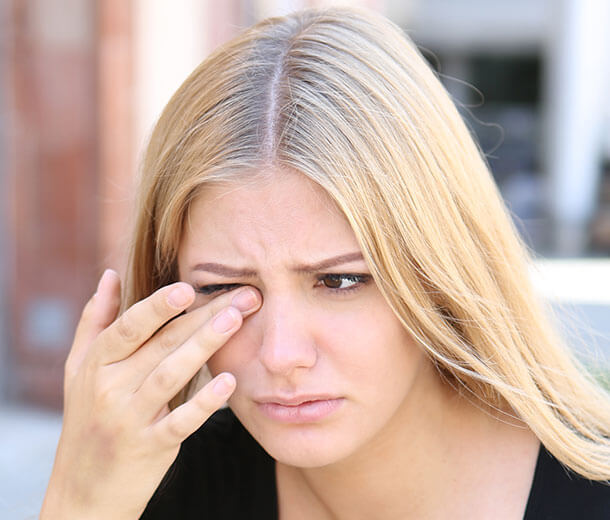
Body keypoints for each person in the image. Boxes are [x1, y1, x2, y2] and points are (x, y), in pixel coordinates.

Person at [41, 6, 610, 519]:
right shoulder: (155, 489)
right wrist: (79, 501)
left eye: (340, 280)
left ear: (441, 272)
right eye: (224, 291)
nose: (281, 354)